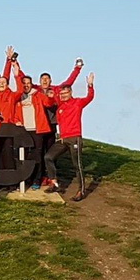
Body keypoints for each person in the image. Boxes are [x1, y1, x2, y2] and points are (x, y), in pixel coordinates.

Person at [44, 73, 95, 201]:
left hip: (74, 138)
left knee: (77, 165)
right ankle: (55, 183)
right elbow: (49, 103)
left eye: (65, 93)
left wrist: (90, 85)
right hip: (63, 138)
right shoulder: (60, 106)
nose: (63, 95)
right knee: (48, 157)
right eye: (61, 94)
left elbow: (90, 97)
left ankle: (81, 191)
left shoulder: (77, 102)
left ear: (70, 92)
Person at [14, 75, 55, 189]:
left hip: (37, 130)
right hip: (24, 130)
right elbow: (14, 112)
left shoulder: (37, 94)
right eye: (24, 83)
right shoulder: (18, 96)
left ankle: (37, 179)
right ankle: (26, 179)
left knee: (37, 155)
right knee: (25, 156)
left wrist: (51, 97)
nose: (26, 85)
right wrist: (17, 121)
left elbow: (48, 103)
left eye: (28, 83)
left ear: (31, 84)